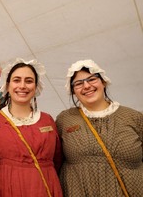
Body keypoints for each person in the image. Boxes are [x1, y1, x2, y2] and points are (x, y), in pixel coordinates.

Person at [56, 59, 143, 197]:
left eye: (92, 79)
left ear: (103, 82)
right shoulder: (65, 120)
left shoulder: (133, 117)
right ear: (73, 91)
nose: (86, 86)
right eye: (78, 83)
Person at [0, 58, 63, 197]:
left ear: (36, 87)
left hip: (45, 187)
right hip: (7, 188)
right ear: (8, 85)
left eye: (28, 81)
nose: (22, 86)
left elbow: (58, 159)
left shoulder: (48, 120)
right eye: (17, 80)